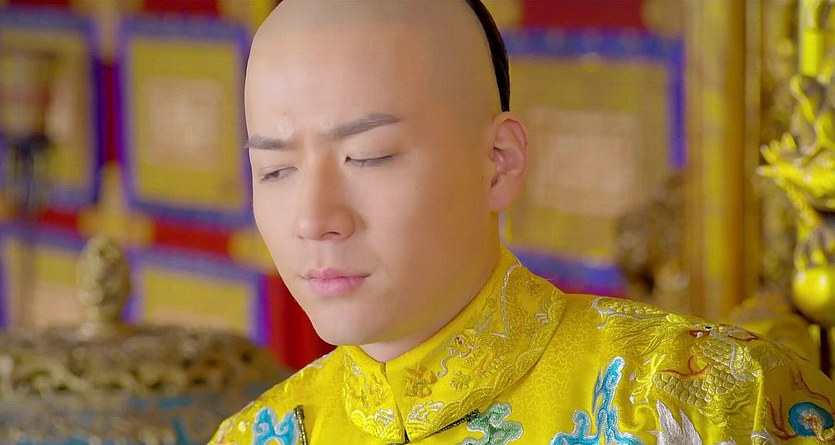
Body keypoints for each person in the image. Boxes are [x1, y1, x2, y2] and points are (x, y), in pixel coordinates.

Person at [210, 1, 835, 443]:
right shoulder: (254, 436)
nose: (314, 219)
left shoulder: (705, 404)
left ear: (498, 162)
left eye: (368, 156)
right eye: (275, 169)